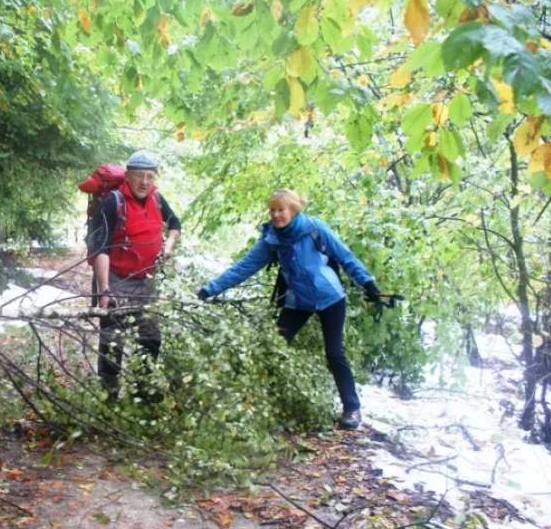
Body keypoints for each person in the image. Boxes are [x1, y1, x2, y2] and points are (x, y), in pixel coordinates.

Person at [196, 189, 381, 430]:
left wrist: (368, 283)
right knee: (273, 347)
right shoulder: (270, 241)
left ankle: (352, 409)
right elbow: (242, 268)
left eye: (280, 209)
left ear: (293, 210)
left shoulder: (315, 229)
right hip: (298, 301)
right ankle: (263, 403)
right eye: (272, 210)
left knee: (334, 352)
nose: (275, 215)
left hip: (330, 297)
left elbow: (345, 257)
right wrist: (209, 290)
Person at [90, 150, 181, 401]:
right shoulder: (113, 202)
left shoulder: (158, 200)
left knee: (151, 337)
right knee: (112, 341)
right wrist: (105, 289)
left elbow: (175, 224)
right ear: (128, 175)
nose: (144, 181)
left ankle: (143, 392)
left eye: (149, 176)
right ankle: (109, 396)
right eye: (139, 175)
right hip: (117, 279)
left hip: (147, 281)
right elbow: (101, 247)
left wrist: (169, 244)